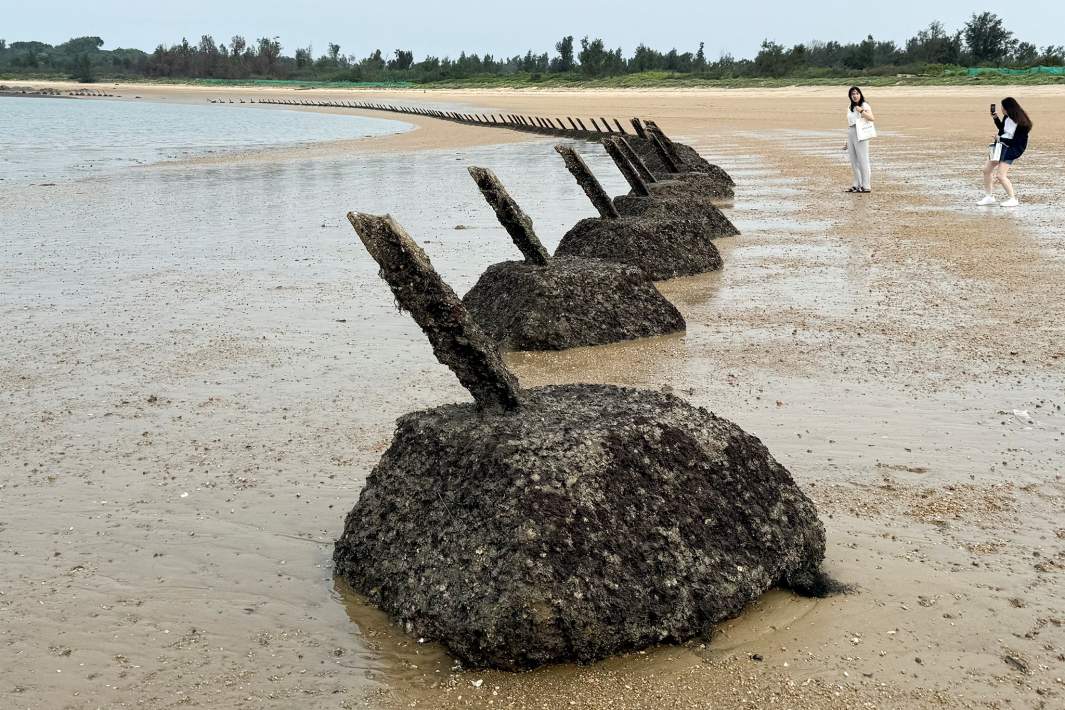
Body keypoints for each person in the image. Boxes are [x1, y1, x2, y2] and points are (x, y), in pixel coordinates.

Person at [978, 97, 1033, 207]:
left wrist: (1000, 138)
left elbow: (1015, 141)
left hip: (1012, 148)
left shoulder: (1023, 124)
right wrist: (995, 118)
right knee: (986, 170)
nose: (1001, 109)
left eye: (1003, 108)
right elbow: (1003, 130)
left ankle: (1013, 199)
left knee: (1000, 175)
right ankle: (989, 197)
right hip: (1000, 145)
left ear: (1009, 108)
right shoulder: (1007, 117)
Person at [842, 86, 875, 193]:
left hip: (861, 133)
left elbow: (871, 118)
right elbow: (850, 123)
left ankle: (866, 185)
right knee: (853, 161)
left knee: (863, 159)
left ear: (860, 94)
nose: (855, 96)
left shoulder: (864, 105)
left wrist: (861, 111)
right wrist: (848, 140)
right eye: (852, 94)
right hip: (851, 132)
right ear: (850, 96)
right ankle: (857, 184)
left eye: (856, 93)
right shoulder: (850, 107)